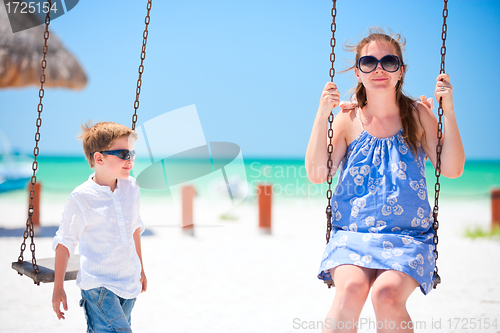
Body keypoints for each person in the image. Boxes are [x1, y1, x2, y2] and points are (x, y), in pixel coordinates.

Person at [305, 28, 464, 333]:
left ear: (400, 71)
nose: (379, 69)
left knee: (386, 294)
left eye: (389, 61)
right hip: (352, 234)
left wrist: (448, 108)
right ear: (357, 72)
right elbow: (317, 174)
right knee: (350, 289)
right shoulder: (347, 120)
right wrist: (322, 113)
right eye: (369, 62)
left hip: (409, 238)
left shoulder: (418, 116)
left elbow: (452, 168)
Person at [51, 121, 147, 332]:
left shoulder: (131, 187)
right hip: (99, 287)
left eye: (132, 154)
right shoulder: (82, 197)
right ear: (99, 158)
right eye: (123, 154)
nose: (129, 160)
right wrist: (58, 287)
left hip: (128, 284)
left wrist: (140, 268)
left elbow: (134, 229)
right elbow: (65, 242)